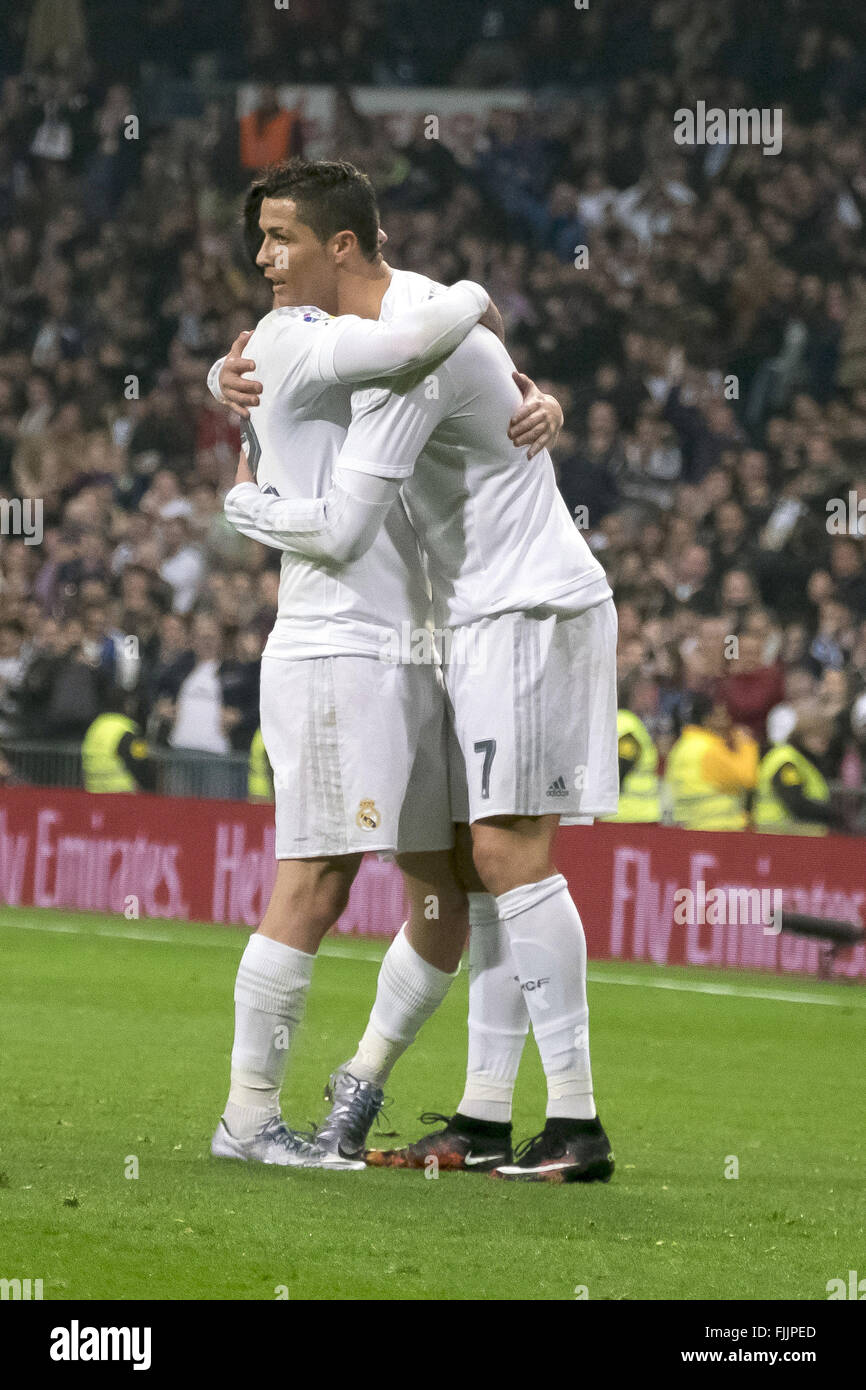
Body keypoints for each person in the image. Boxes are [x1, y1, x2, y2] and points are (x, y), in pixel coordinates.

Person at [221, 157, 618, 1183]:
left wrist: (246, 505)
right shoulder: (412, 321)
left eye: (281, 240)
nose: (261, 259)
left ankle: (573, 1125)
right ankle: (485, 1116)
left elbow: (349, 522)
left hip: (520, 605)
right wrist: (222, 377)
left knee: (506, 857)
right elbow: (470, 365)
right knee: (470, 872)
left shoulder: (414, 347)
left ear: (341, 247)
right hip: (473, 621)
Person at [665, 693, 759, 831]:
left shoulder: (681, 746)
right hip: (719, 830)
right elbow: (747, 777)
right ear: (707, 719)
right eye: (721, 715)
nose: (727, 721)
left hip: (689, 828)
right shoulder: (710, 749)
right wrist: (746, 744)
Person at [754, 704, 844, 835]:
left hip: (793, 838)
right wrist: (832, 814)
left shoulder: (800, 759)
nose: (825, 745)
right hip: (782, 837)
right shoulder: (787, 761)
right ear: (805, 735)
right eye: (821, 738)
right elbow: (796, 803)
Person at [81, 690, 155, 794]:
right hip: (122, 792)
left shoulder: (95, 726)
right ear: (127, 705)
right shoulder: (127, 730)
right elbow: (140, 762)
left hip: (94, 791)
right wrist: (151, 786)